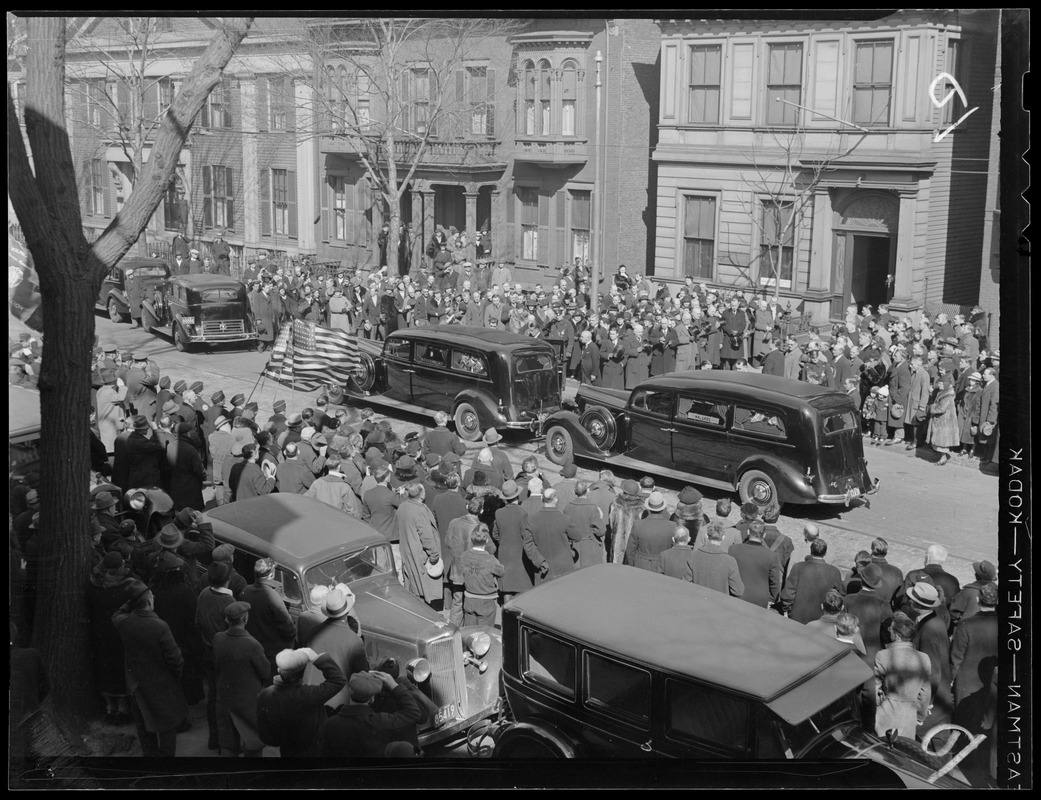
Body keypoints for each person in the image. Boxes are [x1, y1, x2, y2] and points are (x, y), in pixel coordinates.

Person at [111, 580, 187, 758]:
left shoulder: (124, 622)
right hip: (162, 684)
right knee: (167, 727)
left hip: (136, 685)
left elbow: (117, 613)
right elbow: (175, 659)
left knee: (144, 726)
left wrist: (133, 599)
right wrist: (176, 676)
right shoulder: (160, 626)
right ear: (148, 601)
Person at [257, 647, 347, 758]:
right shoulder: (310, 695)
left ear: (279, 670)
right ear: (302, 673)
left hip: (287, 750)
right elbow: (338, 680)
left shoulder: (264, 695)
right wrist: (316, 658)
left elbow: (266, 736)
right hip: (314, 750)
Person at [321, 670, 424, 757]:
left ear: (349, 690)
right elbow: (413, 712)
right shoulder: (382, 722)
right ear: (372, 698)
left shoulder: (329, 725)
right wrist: (394, 686)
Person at [213, 601, 268, 757]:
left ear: (227, 620)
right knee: (252, 742)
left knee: (227, 741)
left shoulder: (218, 639)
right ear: (245, 619)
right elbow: (264, 671)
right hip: (247, 701)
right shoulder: (252, 644)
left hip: (225, 697)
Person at [301, 588, 369, 712]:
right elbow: (362, 675)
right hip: (337, 703)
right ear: (347, 611)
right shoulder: (354, 640)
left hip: (311, 696)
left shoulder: (313, 632)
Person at [873, 613, 932, 740]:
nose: (889, 632)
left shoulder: (883, 655)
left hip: (886, 712)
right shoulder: (924, 658)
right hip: (909, 715)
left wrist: (878, 705)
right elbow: (925, 692)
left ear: (897, 635)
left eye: (891, 629)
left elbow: (876, 686)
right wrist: (920, 716)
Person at [241, 559, 297, 681]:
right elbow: (289, 630)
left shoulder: (246, 591)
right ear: (271, 575)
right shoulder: (273, 596)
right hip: (273, 654)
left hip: (254, 649)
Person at [396, 483, 443, 608]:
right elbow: (427, 537)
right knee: (422, 589)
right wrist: (434, 555)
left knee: (412, 585)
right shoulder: (420, 511)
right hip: (419, 554)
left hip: (407, 551)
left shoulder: (402, 506)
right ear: (422, 495)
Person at [779, 538, 842, 623]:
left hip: (797, 616)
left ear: (811, 551)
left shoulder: (798, 567)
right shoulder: (834, 572)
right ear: (825, 553)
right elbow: (838, 595)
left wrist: (786, 609)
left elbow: (789, 593)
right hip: (822, 617)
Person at [521, 488, 576, 585]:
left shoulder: (531, 520)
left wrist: (540, 561)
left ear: (542, 498)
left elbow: (528, 544)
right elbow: (577, 536)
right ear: (556, 499)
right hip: (563, 567)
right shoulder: (565, 519)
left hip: (543, 568)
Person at [728, 520, 783, 608]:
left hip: (735, 595)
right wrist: (771, 599)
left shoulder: (733, 549)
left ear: (748, 532)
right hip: (760, 599)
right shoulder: (772, 556)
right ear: (764, 535)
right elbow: (775, 582)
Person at [460, 525, 505, 626]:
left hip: (469, 600)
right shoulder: (490, 559)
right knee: (484, 636)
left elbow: (463, 570)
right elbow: (501, 572)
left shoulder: (464, 555)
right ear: (487, 541)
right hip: (486, 601)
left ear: (472, 540)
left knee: (469, 633)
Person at [624, 491, 675, 571]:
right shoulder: (672, 526)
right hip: (663, 566)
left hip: (641, 565)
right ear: (663, 508)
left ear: (648, 509)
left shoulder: (638, 525)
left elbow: (630, 550)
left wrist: (632, 565)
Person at [690, 523, 744, 597]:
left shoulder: (693, 556)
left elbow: (685, 582)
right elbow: (738, 591)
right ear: (723, 537)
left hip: (697, 599)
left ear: (706, 536)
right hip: (719, 603)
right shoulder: (729, 560)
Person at [563, 481, 606, 568]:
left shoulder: (568, 506)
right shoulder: (592, 507)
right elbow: (600, 531)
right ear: (588, 491)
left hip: (574, 545)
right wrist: (600, 518)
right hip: (589, 546)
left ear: (574, 492)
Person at [608, 479, 645, 565]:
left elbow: (611, 523)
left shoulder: (615, 504)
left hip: (616, 542)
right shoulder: (641, 508)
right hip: (632, 545)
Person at [926, 375, 959, 465]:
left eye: (940, 384)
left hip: (944, 421)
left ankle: (943, 458)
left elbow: (941, 409)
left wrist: (931, 409)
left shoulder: (947, 395)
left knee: (942, 441)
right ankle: (941, 456)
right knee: (940, 440)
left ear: (945, 384)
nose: (939, 385)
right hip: (943, 420)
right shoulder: (944, 392)